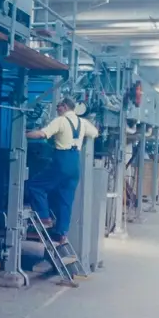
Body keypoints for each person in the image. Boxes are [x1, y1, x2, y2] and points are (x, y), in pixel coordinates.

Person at [24, 99, 99, 246]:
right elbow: (95, 133)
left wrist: (23, 133)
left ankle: (44, 217)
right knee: (66, 200)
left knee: (34, 186)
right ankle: (61, 234)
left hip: (62, 161)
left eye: (58, 106)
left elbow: (42, 134)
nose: (57, 109)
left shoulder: (61, 121)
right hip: (75, 164)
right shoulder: (82, 122)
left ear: (64, 107)